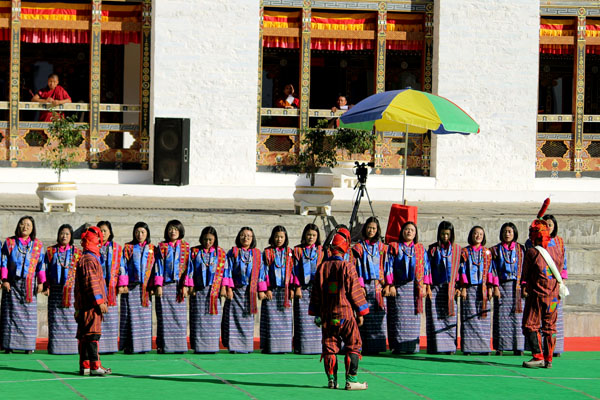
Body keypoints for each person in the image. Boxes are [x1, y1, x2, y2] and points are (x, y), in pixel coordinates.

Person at [309, 227, 369, 390]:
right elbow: (355, 292)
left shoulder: (322, 267)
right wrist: (361, 312)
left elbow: (316, 293)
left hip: (328, 316)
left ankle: (331, 380)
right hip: (346, 315)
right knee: (353, 344)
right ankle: (351, 380)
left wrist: (316, 313)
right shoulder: (348, 267)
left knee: (329, 346)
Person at [521, 199, 565, 369]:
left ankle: (538, 356)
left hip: (537, 295)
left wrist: (524, 286)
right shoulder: (558, 247)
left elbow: (525, 274)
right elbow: (560, 268)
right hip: (553, 294)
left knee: (530, 324)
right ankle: (549, 360)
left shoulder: (532, 252)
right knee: (550, 327)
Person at [0, 216, 45, 354]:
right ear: (18, 226)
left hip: (29, 285)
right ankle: (9, 345)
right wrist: (4, 279)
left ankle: (28, 345)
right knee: (10, 315)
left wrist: (41, 282)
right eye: (22, 224)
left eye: (28, 225)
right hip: (11, 284)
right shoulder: (9, 242)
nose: (25, 227)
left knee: (29, 316)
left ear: (32, 229)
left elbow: (41, 265)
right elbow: (4, 262)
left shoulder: (37, 245)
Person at [385, 221, 429, 354]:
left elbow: (426, 267)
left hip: (415, 288)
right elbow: (388, 265)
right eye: (407, 229)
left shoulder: (420, 250)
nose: (409, 232)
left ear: (415, 234)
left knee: (414, 318)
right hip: (398, 287)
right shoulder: (394, 247)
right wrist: (390, 284)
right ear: (402, 231)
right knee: (398, 317)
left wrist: (425, 285)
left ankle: (412, 347)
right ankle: (398, 346)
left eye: (412, 230)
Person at [74, 226, 111, 376]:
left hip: (84, 304)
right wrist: (100, 301)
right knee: (92, 335)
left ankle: (85, 366)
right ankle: (95, 366)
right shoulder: (89, 259)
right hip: (91, 305)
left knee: (85, 335)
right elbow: (92, 282)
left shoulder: (87, 258)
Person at [221, 227, 263, 353]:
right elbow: (226, 270)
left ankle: (246, 346)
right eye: (243, 235)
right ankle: (233, 346)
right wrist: (228, 288)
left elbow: (261, 272)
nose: (246, 238)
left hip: (249, 292)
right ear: (239, 237)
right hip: (235, 291)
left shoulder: (256, 254)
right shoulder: (233, 252)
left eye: (249, 236)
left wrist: (261, 289)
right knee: (233, 319)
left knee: (247, 320)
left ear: (253, 239)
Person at [351, 217, 389, 354]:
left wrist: (388, 284)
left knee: (378, 315)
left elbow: (387, 265)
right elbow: (356, 266)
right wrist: (360, 285)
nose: (371, 230)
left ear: (377, 230)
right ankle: (362, 346)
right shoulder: (358, 247)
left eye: (374, 228)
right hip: (364, 285)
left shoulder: (382, 248)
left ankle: (377, 347)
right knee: (363, 314)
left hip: (378, 285)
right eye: (369, 228)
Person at [187, 226, 227, 353]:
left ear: (215, 240)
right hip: (199, 290)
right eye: (205, 239)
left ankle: (212, 346)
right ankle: (199, 347)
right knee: (198, 319)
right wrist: (191, 285)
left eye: (210, 240)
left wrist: (224, 288)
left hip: (214, 291)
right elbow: (190, 269)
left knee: (213, 319)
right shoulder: (194, 252)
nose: (207, 242)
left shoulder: (220, 253)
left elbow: (225, 272)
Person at [118, 222, 156, 354]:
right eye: (137, 232)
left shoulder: (152, 248)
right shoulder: (128, 248)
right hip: (131, 287)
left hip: (145, 289)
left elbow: (155, 269)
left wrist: (153, 285)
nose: (140, 235)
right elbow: (122, 265)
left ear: (147, 234)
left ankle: (144, 347)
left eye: (143, 232)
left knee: (144, 319)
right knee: (130, 317)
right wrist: (123, 283)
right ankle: (130, 346)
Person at [458, 226, 496, 355]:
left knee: (483, 317)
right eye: (475, 233)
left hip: (483, 289)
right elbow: (461, 269)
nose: (478, 236)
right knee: (468, 317)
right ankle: (468, 348)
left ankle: (484, 348)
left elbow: (491, 270)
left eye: (481, 234)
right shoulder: (465, 251)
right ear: (471, 235)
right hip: (469, 288)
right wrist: (463, 287)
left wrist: (490, 287)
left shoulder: (487, 252)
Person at [154, 220, 191, 354]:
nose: (173, 231)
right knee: (164, 317)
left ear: (180, 231)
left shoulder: (186, 247)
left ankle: (179, 346)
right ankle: (164, 346)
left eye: (176, 229)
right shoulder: (161, 246)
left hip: (179, 287)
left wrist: (186, 285)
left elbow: (188, 267)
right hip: (165, 286)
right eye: (170, 229)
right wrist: (158, 285)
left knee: (179, 318)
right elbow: (158, 265)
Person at [425, 221, 461, 354]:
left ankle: (450, 347)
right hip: (435, 288)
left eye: (447, 234)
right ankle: (436, 347)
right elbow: (427, 268)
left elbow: (460, 269)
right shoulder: (433, 249)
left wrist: (459, 286)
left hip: (450, 288)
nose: (445, 237)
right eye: (443, 234)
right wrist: (427, 287)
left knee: (450, 317)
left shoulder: (457, 250)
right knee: (435, 318)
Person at [45, 224, 82, 355]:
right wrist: (46, 285)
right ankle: (55, 348)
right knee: (55, 320)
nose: (64, 236)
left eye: (67, 234)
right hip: (55, 291)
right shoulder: (50, 251)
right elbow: (46, 270)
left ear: (71, 236)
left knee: (71, 320)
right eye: (62, 233)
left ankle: (72, 348)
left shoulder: (77, 252)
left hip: (71, 292)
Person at [490, 222, 526, 356]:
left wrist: (524, 285)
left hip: (517, 287)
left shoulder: (521, 250)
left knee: (517, 317)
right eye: (505, 231)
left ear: (514, 233)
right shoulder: (495, 250)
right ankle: (500, 347)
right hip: (502, 286)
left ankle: (518, 347)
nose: (507, 234)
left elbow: (524, 269)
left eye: (510, 231)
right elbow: (492, 269)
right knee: (501, 317)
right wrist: (495, 286)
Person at [259, 226, 294, 354]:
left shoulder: (290, 252)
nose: (279, 239)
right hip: (271, 291)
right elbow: (263, 271)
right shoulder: (267, 252)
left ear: (285, 238)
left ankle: (284, 347)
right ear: (272, 237)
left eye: (281, 237)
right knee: (270, 320)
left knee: (285, 320)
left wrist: (292, 288)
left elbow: (293, 271)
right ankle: (270, 347)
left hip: (285, 291)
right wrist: (266, 288)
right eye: (277, 236)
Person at [291, 223, 325, 354]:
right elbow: (294, 269)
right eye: (309, 234)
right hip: (302, 289)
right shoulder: (298, 250)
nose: (311, 237)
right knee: (302, 318)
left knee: (317, 318)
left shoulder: (322, 251)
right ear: (304, 235)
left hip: (317, 289)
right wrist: (297, 287)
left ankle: (317, 347)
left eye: (314, 235)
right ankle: (302, 347)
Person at [543, 214, 567, 358]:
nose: (547, 228)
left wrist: (562, 280)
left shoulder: (559, 242)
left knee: (554, 315)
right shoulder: (533, 242)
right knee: (540, 316)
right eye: (544, 225)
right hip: (540, 284)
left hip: (555, 283)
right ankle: (540, 350)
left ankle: (554, 348)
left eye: (550, 225)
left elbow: (564, 263)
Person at [96, 221, 122, 354]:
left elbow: (122, 267)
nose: (103, 233)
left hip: (111, 287)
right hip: (97, 286)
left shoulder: (117, 248)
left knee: (110, 316)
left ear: (110, 232)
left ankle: (111, 346)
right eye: (100, 231)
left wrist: (122, 284)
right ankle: (97, 345)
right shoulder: (92, 247)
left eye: (105, 230)